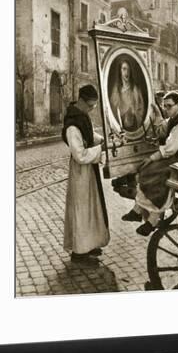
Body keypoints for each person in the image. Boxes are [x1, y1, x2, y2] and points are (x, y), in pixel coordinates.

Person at [121, 91, 178, 236]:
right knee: (147, 170)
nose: (167, 109)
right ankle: (138, 211)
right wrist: (157, 113)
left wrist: (152, 157)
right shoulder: (175, 117)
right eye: (165, 106)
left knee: (155, 173)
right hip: (175, 156)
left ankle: (152, 220)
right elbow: (163, 128)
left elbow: (171, 148)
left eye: (169, 106)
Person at [62, 84, 110, 267]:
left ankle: (89, 244)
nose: (92, 109)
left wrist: (102, 140)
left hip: (88, 172)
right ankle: (79, 253)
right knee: (82, 211)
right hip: (80, 172)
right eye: (90, 105)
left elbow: (89, 135)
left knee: (90, 209)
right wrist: (101, 149)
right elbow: (80, 154)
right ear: (81, 101)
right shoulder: (72, 125)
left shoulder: (81, 117)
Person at [110, 59, 145, 132]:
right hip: (121, 126)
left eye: (128, 69)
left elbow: (141, 108)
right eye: (124, 69)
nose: (127, 72)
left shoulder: (135, 89)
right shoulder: (116, 90)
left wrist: (134, 113)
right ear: (120, 71)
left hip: (134, 124)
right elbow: (113, 109)